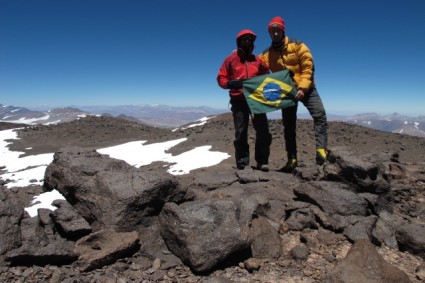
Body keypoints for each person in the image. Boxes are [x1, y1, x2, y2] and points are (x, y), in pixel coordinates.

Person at [259, 16, 328, 172]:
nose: (275, 33)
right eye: (272, 31)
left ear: (283, 31)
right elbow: (255, 64)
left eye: (277, 30)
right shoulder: (267, 54)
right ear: (269, 33)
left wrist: (303, 88)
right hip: (287, 93)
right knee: (289, 126)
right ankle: (292, 159)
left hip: (307, 89)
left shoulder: (298, 45)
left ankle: (321, 151)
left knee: (320, 115)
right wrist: (240, 55)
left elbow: (308, 67)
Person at [217, 29, 272, 171]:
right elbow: (221, 78)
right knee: (241, 132)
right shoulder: (231, 59)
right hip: (238, 100)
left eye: (250, 39)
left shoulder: (258, 60)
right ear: (239, 42)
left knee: (263, 131)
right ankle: (242, 164)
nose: (247, 41)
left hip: (256, 99)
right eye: (244, 39)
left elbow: (267, 76)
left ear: (253, 43)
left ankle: (262, 162)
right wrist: (229, 83)